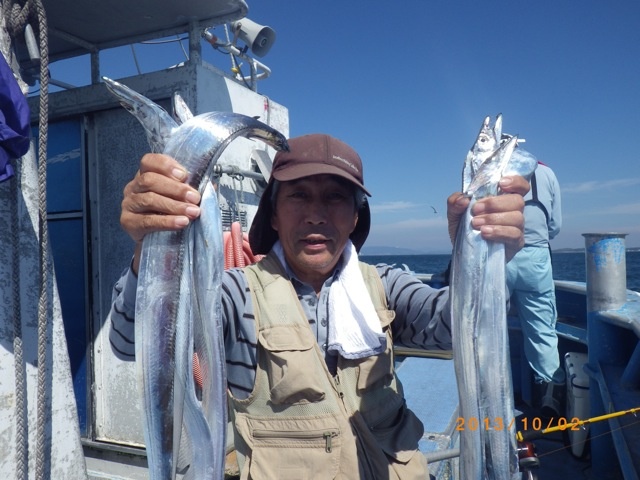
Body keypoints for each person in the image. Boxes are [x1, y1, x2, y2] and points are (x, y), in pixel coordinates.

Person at [109, 133, 529, 479]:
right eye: (298, 196)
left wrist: (481, 255)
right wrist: (150, 248)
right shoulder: (236, 293)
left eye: (334, 197)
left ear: (355, 217)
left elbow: (459, 330)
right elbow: (132, 342)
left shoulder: (384, 286)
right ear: (274, 215)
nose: (315, 214)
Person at [505, 158, 563, 417]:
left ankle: (492, 394)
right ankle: (549, 398)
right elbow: (555, 226)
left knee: (488, 326)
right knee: (542, 331)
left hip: (498, 255)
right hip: (537, 258)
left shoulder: (497, 168)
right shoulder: (548, 172)